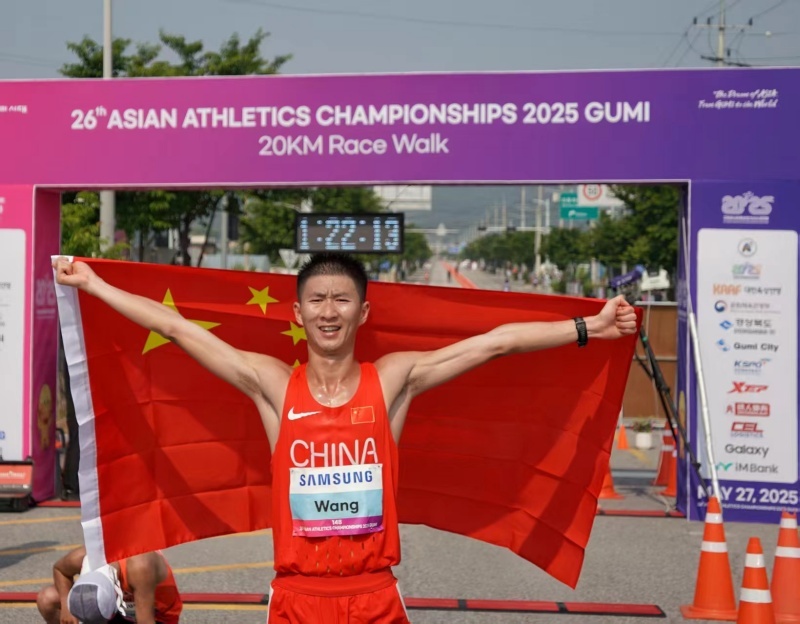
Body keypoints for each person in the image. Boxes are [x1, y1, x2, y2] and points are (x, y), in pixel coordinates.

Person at [53, 253, 637, 624]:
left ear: (363, 311)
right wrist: (96, 285)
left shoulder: (393, 380)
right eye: (317, 300)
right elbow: (175, 328)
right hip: (297, 599)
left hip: (375, 596)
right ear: (298, 312)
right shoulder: (273, 385)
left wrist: (590, 326)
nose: (328, 311)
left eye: (341, 299)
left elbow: (495, 343)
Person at [36, 545, 182, 624]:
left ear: (115, 590)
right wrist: (66, 606)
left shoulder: (140, 566)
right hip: (121, 612)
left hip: (155, 616)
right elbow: (60, 570)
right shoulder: (82, 556)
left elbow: (145, 621)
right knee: (47, 598)